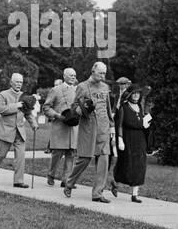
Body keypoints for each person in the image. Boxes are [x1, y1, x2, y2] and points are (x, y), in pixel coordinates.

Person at [62, 62, 114, 202]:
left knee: (104, 159)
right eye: (100, 73)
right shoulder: (82, 87)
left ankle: (97, 193)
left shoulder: (105, 87)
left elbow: (108, 108)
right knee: (84, 159)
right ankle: (69, 183)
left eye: (104, 73)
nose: (103, 76)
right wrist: (83, 108)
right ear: (92, 71)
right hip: (88, 127)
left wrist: (112, 126)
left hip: (103, 128)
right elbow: (74, 108)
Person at [0, 72, 32, 187]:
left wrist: (34, 123)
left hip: (20, 132)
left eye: (21, 82)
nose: (19, 84)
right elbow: (0, 109)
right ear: (11, 82)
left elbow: (28, 112)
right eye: (17, 82)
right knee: (0, 155)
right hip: (6, 131)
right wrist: (16, 105)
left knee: (21, 157)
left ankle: (18, 181)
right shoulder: (3, 94)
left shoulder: (24, 96)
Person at [114, 84, 152, 202]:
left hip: (139, 139)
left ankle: (135, 194)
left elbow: (141, 122)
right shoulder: (124, 107)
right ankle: (115, 183)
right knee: (126, 164)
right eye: (134, 93)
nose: (136, 96)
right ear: (129, 94)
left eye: (138, 93)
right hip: (127, 138)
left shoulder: (140, 107)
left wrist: (145, 124)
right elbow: (119, 124)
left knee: (140, 165)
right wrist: (120, 138)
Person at [42, 67, 79, 185]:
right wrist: (57, 115)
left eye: (74, 75)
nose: (73, 77)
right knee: (57, 153)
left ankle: (66, 180)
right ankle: (51, 174)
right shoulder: (56, 90)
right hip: (59, 126)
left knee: (71, 153)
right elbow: (46, 107)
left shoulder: (78, 90)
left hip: (73, 127)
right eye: (70, 75)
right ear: (64, 76)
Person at [103, 75, 133, 198]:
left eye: (123, 84)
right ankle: (112, 181)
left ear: (127, 84)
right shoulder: (115, 96)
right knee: (111, 153)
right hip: (113, 125)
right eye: (120, 84)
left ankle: (114, 181)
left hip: (121, 127)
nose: (121, 86)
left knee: (116, 154)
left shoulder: (128, 96)